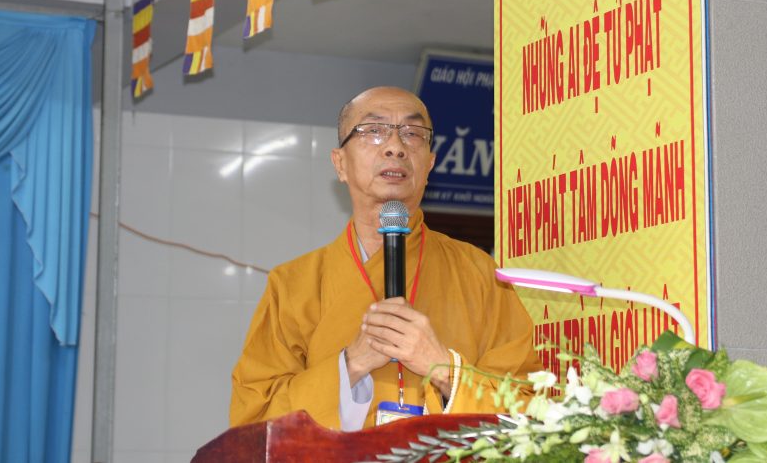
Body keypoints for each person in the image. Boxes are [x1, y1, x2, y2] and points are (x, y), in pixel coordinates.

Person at [229, 86, 541, 430]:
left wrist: (442, 368)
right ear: (340, 163)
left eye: (412, 133)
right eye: (373, 131)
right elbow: (254, 420)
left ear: (430, 165)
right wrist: (350, 366)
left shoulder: (480, 273)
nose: (395, 146)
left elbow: (528, 410)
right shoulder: (293, 284)